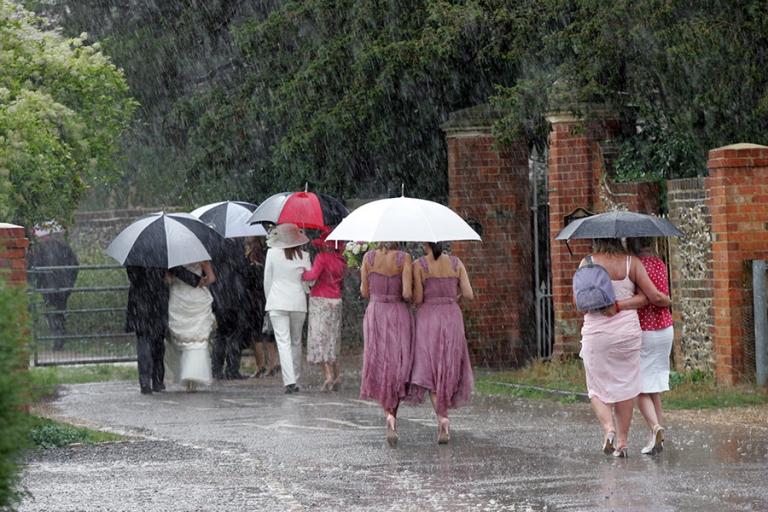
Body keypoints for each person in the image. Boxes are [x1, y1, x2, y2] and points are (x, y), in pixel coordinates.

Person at [577, 238, 671, 457]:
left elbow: (579, 304)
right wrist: (620, 304)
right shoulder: (632, 262)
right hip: (627, 332)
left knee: (595, 386)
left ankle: (608, 428)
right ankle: (622, 442)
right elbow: (647, 296)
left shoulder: (587, 262)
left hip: (597, 331)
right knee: (626, 386)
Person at [406, 241, 474, 445]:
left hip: (428, 318)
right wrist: (451, 298)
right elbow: (469, 295)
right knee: (448, 366)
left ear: (424, 243)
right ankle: (444, 415)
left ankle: (442, 417)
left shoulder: (419, 265)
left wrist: (415, 301)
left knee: (430, 371)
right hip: (452, 316)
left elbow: (417, 297)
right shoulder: (456, 263)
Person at [358, 241, 414, 447]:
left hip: (376, 313)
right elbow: (407, 293)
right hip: (398, 313)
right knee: (398, 365)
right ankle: (393, 416)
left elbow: (364, 293)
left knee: (379, 364)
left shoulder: (368, 258)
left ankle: (387, 415)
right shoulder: (404, 258)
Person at [626, 237, 675, 455]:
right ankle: (656, 436)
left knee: (639, 386)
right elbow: (662, 296)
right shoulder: (659, 263)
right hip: (665, 327)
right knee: (652, 385)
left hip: (646, 329)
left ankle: (655, 429)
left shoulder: (635, 265)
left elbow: (648, 297)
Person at [263, 223, 311, 394]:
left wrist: (270, 300)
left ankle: (289, 381)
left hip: (277, 302)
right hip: (298, 303)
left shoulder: (272, 253)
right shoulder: (304, 255)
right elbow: (308, 281)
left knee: (283, 342)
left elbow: (267, 280)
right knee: (296, 341)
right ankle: (295, 377)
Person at [302, 229, 347, 392]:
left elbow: (312, 276)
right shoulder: (341, 260)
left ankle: (327, 375)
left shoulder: (322, 258)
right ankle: (337, 376)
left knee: (320, 337)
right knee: (333, 337)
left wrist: (301, 271)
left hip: (320, 299)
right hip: (336, 300)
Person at [164, 260, 217, 392]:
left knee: (183, 338)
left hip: (179, 296)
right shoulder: (200, 256)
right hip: (196, 297)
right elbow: (212, 278)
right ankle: (193, 378)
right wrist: (201, 281)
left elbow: (169, 280)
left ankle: (185, 375)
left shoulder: (173, 258)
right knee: (197, 338)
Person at [26, 226, 79, 350]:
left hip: (47, 287)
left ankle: (57, 338)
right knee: (60, 311)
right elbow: (75, 265)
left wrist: (36, 283)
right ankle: (60, 337)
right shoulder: (63, 247)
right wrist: (69, 282)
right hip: (63, 286)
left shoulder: (39, 249)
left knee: (51, 312)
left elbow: (33, 268)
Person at [209, 237, 250, 380]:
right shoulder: (236, 248)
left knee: (220, 334)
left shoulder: (214, 245)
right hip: (234, 296)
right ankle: (232, 369)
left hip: (218, 296)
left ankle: (216, 368)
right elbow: (242, 269)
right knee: (235, 334)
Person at [125, 266, 169, 395]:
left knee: (143, 340)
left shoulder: (134, 257)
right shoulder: (161, 253)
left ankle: (145, 381)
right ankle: (157, 380)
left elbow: (132, 277)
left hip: (139, 301)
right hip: (158, 299)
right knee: (158, 342)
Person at [244, 236, 280, 379]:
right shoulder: (267, 254)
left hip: (254, 298)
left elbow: (252, 278)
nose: (246, 237)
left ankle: (261, 365)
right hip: (265, 296)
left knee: (256, 334)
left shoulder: (253, 256)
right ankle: (274, 361)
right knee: (267, 332)